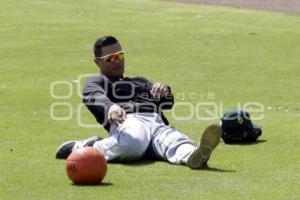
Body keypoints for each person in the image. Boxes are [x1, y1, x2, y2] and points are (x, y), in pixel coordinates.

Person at [55, 35, 221, 169]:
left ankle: (195, 155)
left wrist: (164, 91)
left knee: (175, 141)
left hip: (156, 122)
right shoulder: (97, 81)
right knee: (134, 142)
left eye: (120, 56)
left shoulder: (140, 81)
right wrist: (111, 106)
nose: (118, 61)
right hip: (127, 121)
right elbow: (92, 95)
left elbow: (168, 103)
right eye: (111, 58)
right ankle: (86, 148)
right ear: (97, 62)